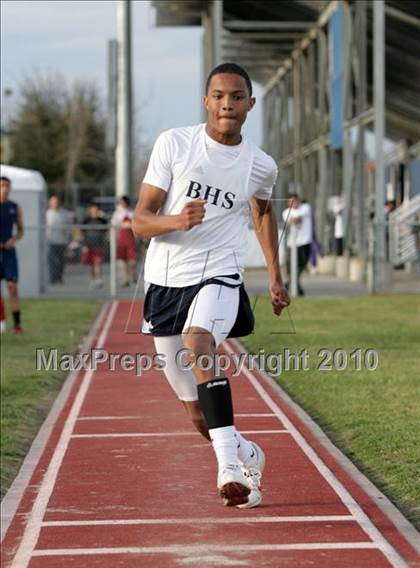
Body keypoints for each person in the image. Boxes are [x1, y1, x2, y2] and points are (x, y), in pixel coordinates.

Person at [133, 63, 290, 509]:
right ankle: (246, 452)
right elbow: (140, 221)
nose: (228, 104)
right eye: (219, 96)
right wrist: (176, 220)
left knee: (198, 340)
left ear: (250, 105)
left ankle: (227, 469)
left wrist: (276, 276)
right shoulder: (175, 144)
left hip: (220, 272)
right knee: (199, 414)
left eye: (237, 97)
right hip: (165, 283)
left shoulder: (260, 165)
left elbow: (262, 213)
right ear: (207, 101)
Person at [0, 176, 24, 333]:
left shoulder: (14, 207)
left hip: (9, 253)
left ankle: (17, 324)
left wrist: (13, 240)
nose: (5, 188)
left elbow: (21, 231)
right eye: (2, 185)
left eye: (7, 185)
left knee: (12, 287)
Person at [282, 193, 312, 296]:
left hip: (304, 242)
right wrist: (294, 218)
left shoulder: (306, 207)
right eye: (290, 202)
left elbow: (299, 217)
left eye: (294, 201)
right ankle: (296, 288)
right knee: (291, 268)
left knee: (301, 266)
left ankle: (290, 284)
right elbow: (290, 219)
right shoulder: (286, 212)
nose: (292, 204)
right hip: (292, 244)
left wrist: (295, 218)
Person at [111, 196, 137, 286]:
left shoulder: (132, 213)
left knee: (132, 261)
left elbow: (135, 224)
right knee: (122, 260)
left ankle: (133, 274)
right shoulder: (117, 214)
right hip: (121, 239)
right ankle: (125, 279)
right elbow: (114, 224)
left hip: (131, 239)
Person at [46, 196, 72, 284]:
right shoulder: (47, 214)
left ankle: (59, 277)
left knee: (61, 261)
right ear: (50, 203)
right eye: (53, 202)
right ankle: (53, 277)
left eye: (56, 202)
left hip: (62, 241)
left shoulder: (65, 213)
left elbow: (69, 227)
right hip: (51, 241)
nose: (54, 204)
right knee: (52, 260)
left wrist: (68, 236)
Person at [81, 203, 107, 288]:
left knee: (97, 262)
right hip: (89, 245)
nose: (94, 211)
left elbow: (106, 230)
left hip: (98, 244)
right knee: (92, 263)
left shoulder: (102, 220)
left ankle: (98, 278)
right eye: (92, 210)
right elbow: (82, 232)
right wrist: (84, 245)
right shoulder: (86, 220)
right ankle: (93, 278)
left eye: (96, 210)